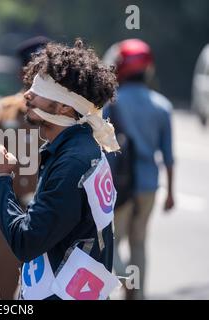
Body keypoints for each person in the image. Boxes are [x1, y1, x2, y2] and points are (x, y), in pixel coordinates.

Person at [0, 40, 120, 300]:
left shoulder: (73, 161)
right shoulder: (76, 146)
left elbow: (27, 243)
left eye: (40, 89)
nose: (27, 95)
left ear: (65, 107)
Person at [103, 39, 175, 300]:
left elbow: (101, 145)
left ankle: (124, 280)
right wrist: (171, 193)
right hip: (148, 186)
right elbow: (168, 156)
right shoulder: (162, 105)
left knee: (111, 243)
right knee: (140, 243)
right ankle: (138, 294)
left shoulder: (112, 103)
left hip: (120, 186)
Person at [0, 36, 49, 299]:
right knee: (1, 291)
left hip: (50, 214)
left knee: (50, 288)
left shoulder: (65, 111)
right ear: (21, 72)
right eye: (32, 69)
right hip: (12, 213)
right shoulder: (4, 111)